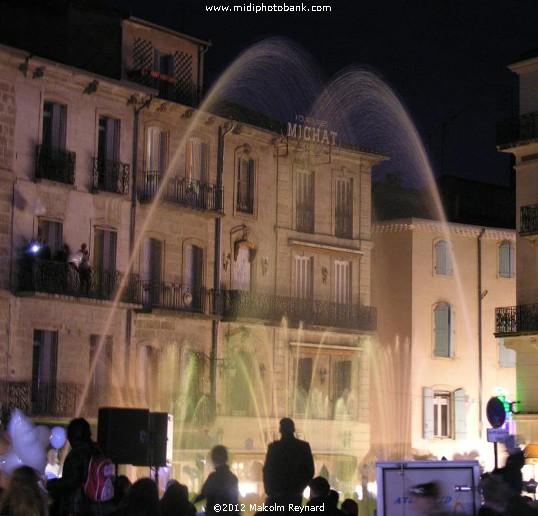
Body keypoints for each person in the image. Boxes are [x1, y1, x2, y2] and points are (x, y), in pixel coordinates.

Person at [46, 418, 96, 516]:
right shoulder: (96, 449)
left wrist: (49, 484)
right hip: (94, 505)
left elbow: (72, 481)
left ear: (72, 436)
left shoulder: (78, 454)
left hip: (78, 506)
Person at [263, 418, 314, 510]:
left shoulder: (274, 448)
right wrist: (300, 487)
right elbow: (310, 471)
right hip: (295, 493)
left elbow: (267, 470)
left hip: (277, 494)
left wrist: (269, 490)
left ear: (280, 430)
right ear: (293, 430)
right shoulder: (303, 447)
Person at [194, 445, 239, 516]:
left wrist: (190, 503)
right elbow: (234, 500)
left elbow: (203, 495)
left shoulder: (213, 477)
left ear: (213, 459)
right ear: (226, 458)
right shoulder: (233, 478)